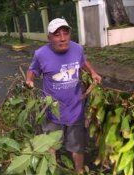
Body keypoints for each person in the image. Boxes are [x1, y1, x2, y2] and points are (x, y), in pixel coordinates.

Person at [26, 18, 101, 173]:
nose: (62, 38)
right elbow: (33, 69)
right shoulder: (41, 54)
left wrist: (93, 72)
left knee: (77, 146)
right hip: (52, 111)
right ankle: (53, 170)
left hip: (75, 108)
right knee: (51, 145)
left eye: (65, 33)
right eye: (57, 34)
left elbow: (82, 62)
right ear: (49, 38)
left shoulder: (77, 49)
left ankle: (78, 171)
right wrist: (29, 80)